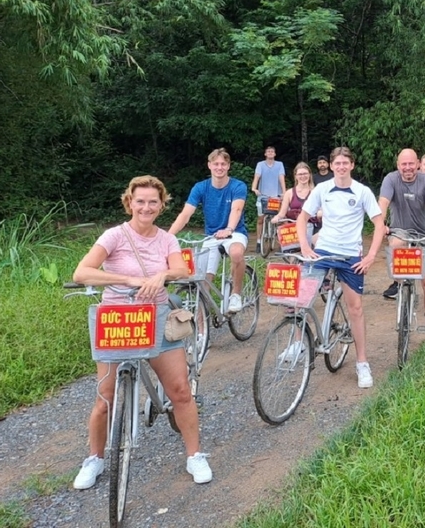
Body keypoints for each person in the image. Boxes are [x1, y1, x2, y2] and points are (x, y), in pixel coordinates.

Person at [71, 176, 212, 489]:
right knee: (104, 397)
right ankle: (94, 458)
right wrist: (129, 281)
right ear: (129, 203)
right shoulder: (114, 236)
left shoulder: (166, 240)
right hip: (118, 320)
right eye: (140, 201)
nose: (146, 207)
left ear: (161, 205)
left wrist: (162, 273)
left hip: (156, 318)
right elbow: (82, 272)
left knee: (180, 392)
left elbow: (181, 270)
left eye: (153, 202)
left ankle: (195, 454)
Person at [296, 148, 384, 389]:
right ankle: (296, 344)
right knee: (301, 297)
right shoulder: (322, 189)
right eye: (338, 163)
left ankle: (362, 363)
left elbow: (379, 224)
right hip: (323, 251)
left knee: (355, 308)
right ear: (332, 166)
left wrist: (371, 256)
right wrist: (304, 245)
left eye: (346, 163)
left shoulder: (363, 191)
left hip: (349, 255)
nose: (342, 167)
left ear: (352, 165)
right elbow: (302, 218)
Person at [378, 149, 425, 340]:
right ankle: (399, 283)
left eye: (411, 164)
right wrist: (381, 224)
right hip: (400, 230)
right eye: (404, 164)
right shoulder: (391, 180)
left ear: (417, 164)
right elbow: (383, 203)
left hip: (424, 234)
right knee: (396, 242)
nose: (408, 168)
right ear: (398, 165)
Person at [168, 148, 248, 313]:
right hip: (211, 235)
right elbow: (185, 214)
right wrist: (168, 236)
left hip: (234, 232)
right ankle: (203, 317)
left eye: (223, 164)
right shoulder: (200, 187)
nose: (219, 167)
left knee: (236, 253)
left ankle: (236, 294)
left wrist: (229, 229)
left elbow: (237, 209)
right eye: (216, 164)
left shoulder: (238, 186)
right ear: (209, 165)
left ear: (228, 166)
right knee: (203, 280)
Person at [271, 162, 320, 247]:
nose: (303, 176)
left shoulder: (316, 192)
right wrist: (277, 217)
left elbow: (320, 210)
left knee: (317, 247)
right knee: (293, 255)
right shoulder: (289, 193)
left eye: (305, 173)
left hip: (312, 227)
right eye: (300, 174)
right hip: (294, 228)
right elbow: (282, 213)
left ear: (309, 175)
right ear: (296, 176)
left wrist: (320, 213)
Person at [251, 145, 285, 254]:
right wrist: (254, 188)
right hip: (263, 195)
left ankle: (281, 244)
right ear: (265, 154)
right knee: (260, 219)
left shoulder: (279, 165)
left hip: (276, 196)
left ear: (275, 154)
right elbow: (257, 177)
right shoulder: (260, 165)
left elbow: (281, 178)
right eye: (268, 151)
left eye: (272, 151)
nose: (270, 153)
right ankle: (258, 242)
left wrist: (284, 192)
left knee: (279, 220)